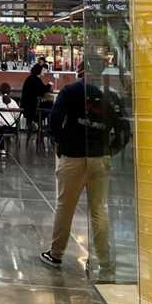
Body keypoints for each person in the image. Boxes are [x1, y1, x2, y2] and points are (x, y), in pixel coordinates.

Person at [40, 60, 115, 278]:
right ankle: (104, 259)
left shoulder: (70, 91)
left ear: (79, 72)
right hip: (99, 156)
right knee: (99, 210)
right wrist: (109, 149)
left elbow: (54, 120)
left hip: (73, 156)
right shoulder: (108, 95)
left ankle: (56, 254)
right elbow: (120, 127)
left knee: (65, 206)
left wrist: (60, 144)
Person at [21, 63, 53, 128]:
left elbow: (40, 89)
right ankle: (44, 126)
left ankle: (39, 125)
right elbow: (42, 91)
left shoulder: (31, 78)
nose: (44, 71)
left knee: (49, 105)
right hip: (32, 109)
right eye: (43, 70)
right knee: (51, 105)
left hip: (27, 107)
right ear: (39, 71)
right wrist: (49, 84)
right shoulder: (35, 80)